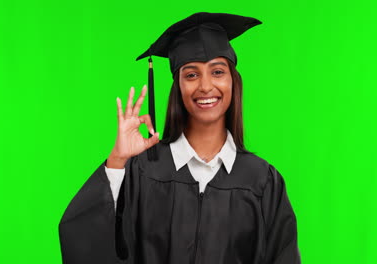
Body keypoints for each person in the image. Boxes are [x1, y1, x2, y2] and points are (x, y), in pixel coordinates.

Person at [59, 12, 300, 264]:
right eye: (191, 75)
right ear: (178, 87)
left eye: (217, 72)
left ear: (233, 81)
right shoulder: (143, 171)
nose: (205, 86)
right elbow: (86, 242)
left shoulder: (262, 181)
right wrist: (118, 160)